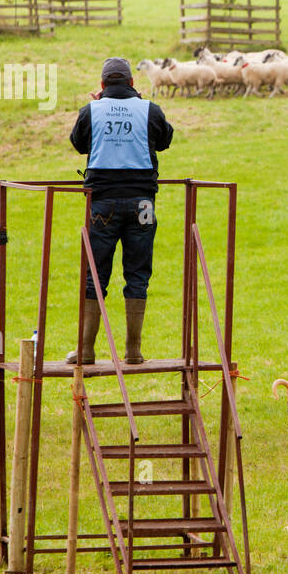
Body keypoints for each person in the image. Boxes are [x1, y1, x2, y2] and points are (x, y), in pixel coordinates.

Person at [65, 57, 174, 365]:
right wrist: (136, 103)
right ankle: (133, 350)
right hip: (142, 204)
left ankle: (86, 350)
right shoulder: (149, 109)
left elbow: (78, 143)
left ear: (101, 86)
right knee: (138, 273)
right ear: (132, 83)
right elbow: (164, 140)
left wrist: (99, 105)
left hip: (102, 203)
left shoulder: (92, 110)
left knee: (95, 276)